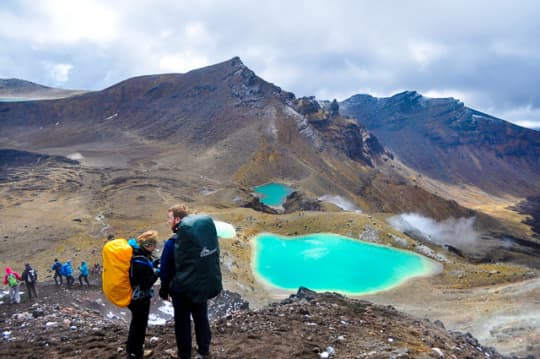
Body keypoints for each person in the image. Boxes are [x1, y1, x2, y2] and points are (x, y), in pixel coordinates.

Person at [160, 204, 221, 359]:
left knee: (182, 323)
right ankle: (204, 351)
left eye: (170, 218)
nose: (169, 222)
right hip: (200, 285)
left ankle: (185, 354)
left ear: (177, 219)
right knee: (201, 317)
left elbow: (165, 271)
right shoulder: (201, 238)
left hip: (181, 290)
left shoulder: (172, 243)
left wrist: (164, 290)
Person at [126, 230, 160, 359]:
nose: (155, 247)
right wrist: (158, 272)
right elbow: (147, 283)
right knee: (139, 325)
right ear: (148, 245)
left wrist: (153, 265)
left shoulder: (137, 255)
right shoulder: (140, 260)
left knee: (136, 323)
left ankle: (133, 350)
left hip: (134, 297)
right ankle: (135, 353)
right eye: (153, 244)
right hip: (140, 298)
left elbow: (142, 270)